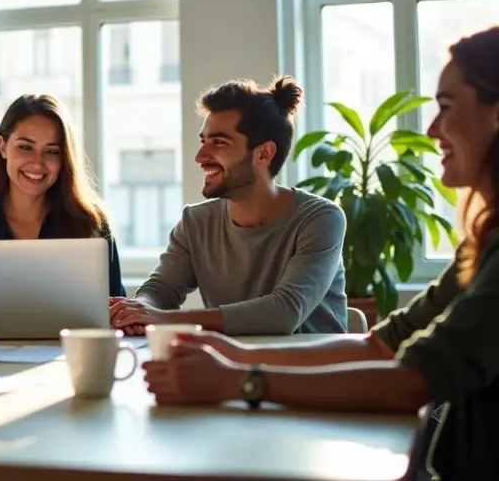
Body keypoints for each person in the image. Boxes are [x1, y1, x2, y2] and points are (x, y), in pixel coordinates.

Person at [143, 26, 499, 480]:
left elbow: (411, 381)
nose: (430, 129)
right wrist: (226, 354)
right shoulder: (483, 244)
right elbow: (382, 344)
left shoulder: (319, 216)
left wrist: (239, 379)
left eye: (446, 108)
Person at [110, 77, 347, 336]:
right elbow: (160, 290)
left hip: (311, 372)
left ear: (264, 153)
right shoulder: (195, 223)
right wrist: (140, 310)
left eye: (219, 143)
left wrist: (163, 319)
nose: (200, 157)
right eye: (203, 141)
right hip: (230, 369)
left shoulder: (320, 219)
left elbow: (285, 312)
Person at [0, 94, 126, 324]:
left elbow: (115, 309)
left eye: (52, 151)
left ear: (64, 159)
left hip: (66, 354)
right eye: (25, 147)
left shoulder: (90, 222)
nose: (37, 163)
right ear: (2, 147)